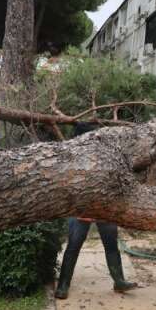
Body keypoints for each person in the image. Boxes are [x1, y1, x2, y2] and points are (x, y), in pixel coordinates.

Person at [54, 122, 139, 299]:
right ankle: (63, 285)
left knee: (111, 246)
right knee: (73, 246)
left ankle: (119, 281)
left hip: (104, 208)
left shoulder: (105, 154)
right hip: (81, 210)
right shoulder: (71, 156)